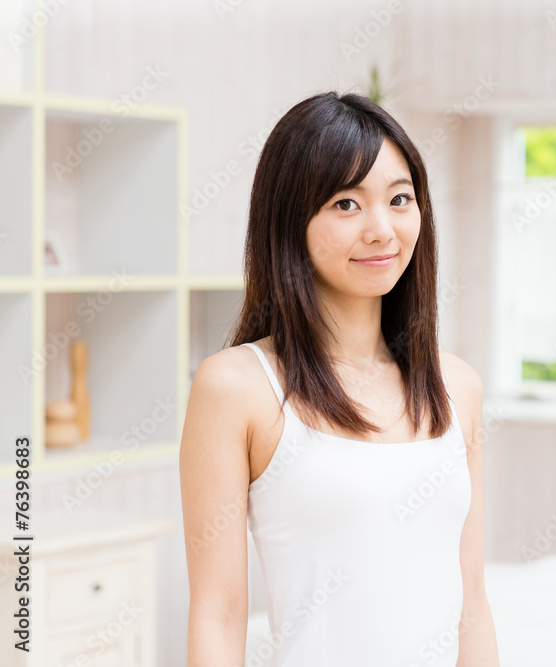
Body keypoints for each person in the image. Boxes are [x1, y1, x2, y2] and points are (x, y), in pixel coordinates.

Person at [179, 91, 501, 666]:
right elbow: (217, 615)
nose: (382, 229)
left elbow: (471, 606)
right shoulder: (236, 387)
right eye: (346, 204)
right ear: (289, 220)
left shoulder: (458, 388)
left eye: (400, 199)